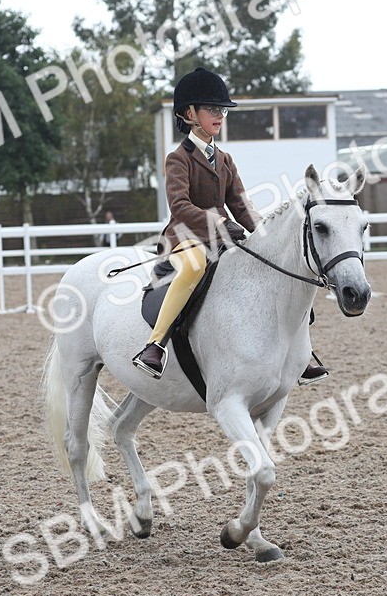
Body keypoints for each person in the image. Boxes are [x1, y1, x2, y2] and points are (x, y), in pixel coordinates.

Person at [132, 67, 329, 385]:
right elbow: (180, 207)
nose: (220, 115)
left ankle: (298, 354)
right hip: (186, 238)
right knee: (195, 267)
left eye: (222, 110)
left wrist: (267, 236)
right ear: (190, 114)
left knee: (274, 270)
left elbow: (241, 205)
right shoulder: (177, 159)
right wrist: (220, 222)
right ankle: (155, 346)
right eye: (213, 109)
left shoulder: (225, 159)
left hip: (223, 240)